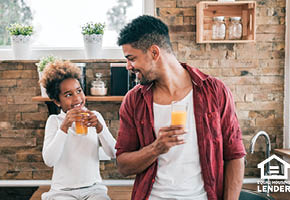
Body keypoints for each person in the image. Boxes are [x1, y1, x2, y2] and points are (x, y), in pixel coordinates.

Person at [115, 15, 246, 200]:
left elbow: (235, 155)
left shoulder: (215, 91)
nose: (128, 66)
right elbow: (122, 166)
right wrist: (156, 148)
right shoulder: (134, 101)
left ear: (154, 52)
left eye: (131, 58)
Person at [39, 60, 116, 200]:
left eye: (79, 91)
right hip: (62, 191)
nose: (77, 98)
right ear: (57, 101)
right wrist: (64, 127)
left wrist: (100, 128)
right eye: (68, 95)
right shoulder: (55, 122)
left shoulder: (95, 117)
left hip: (94, 189)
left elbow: (114, 152)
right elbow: (49, 160)